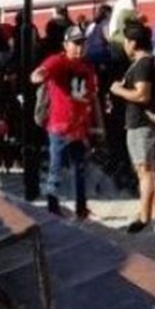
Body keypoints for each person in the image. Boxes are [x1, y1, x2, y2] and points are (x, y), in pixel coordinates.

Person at [32, 26, 98, 220]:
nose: (79, 48)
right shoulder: (58, 61)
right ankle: (53, 208)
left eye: (82, 44)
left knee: (80, 169)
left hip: (78, 128)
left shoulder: (86, 68)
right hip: (59, 127)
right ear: (66, 45)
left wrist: (91, 123)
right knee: (56, 169)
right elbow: (44, 69)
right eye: (75, 43)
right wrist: (39, 75)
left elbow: (90, 97)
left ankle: (81, 208)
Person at [109, 22, 155, 233]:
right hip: (149, 123)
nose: (124, 45)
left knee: (146, 171)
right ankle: (153, 212)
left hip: (141, 125)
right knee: (150, 170)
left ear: (133, 43)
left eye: (125, 40)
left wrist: (118, 90)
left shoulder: (142, 65)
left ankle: (144, 218)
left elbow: (142, 94)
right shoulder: (150, 62)